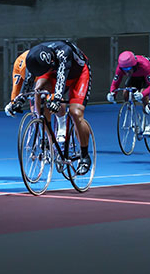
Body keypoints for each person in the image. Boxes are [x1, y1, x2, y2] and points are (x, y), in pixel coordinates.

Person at [5, 41, 93, 174]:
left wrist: (56, 99)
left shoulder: (64, 52)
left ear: (51, 62)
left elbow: (62, 78)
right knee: (38, 89)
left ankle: (85, 156)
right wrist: (17, 101)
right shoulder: (34, 57)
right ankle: (48, 137)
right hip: (53, 73)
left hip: (78, 75)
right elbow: (28, 83)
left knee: (76, 112)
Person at [4, 49, 67, 142]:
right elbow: (17, 84)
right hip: (31, 79)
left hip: (47, 76)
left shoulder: (43, 63)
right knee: (36, 108)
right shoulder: (19, 64)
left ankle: (62, 127)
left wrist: (55, 98)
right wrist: (13, 102)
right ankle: (46, 136)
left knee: (55, 100)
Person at [107, 50, 150, 135]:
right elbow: (115, 83)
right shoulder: (121, 68)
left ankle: (149, 124)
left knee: (144, 96)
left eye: (128, 69)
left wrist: (142, 94)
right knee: (126, 93)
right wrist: (112, 93)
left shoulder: (145, 66)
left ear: (134, 65)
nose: (126, 72)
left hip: (146, 76)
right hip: (134, 76)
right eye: (124, 70)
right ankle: (135, 117)